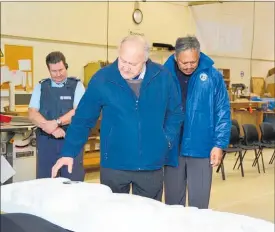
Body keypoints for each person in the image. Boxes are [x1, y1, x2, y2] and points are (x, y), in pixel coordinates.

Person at [51, 35, 184, 201]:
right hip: (114, 165)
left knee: (147, 221)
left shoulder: (163, 77)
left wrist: (166, 140)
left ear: (145, 59)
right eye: (123, 61)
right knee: (112, 219)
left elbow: (175, 113)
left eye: (132, 64)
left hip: (151, 165)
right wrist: (68, 152)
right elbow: (83, 119)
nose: (125, 68)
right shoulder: (103, 78)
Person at [163, 36, 231, 208]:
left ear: (199, 55)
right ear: (176, 57)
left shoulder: (212, 76)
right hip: (172, 148)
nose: (188, 66)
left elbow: (222, 111)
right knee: (172, 206)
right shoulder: (163, 74)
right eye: (184, 62)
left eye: (193, 62)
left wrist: (219, 144)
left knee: (199, 206)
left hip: (201, 147)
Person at [28, 51, 86, 181]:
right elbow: (32, 113)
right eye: (54, 71)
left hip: (70, 140)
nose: (58, 74)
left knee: (72, 180)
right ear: (48, 70)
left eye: (61, 69)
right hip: (46, 141)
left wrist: (56, 122)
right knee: (46, 181)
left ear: (66, 66)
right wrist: (50, 128)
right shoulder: (41, 86)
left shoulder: (77, 85)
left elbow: (78, 112)